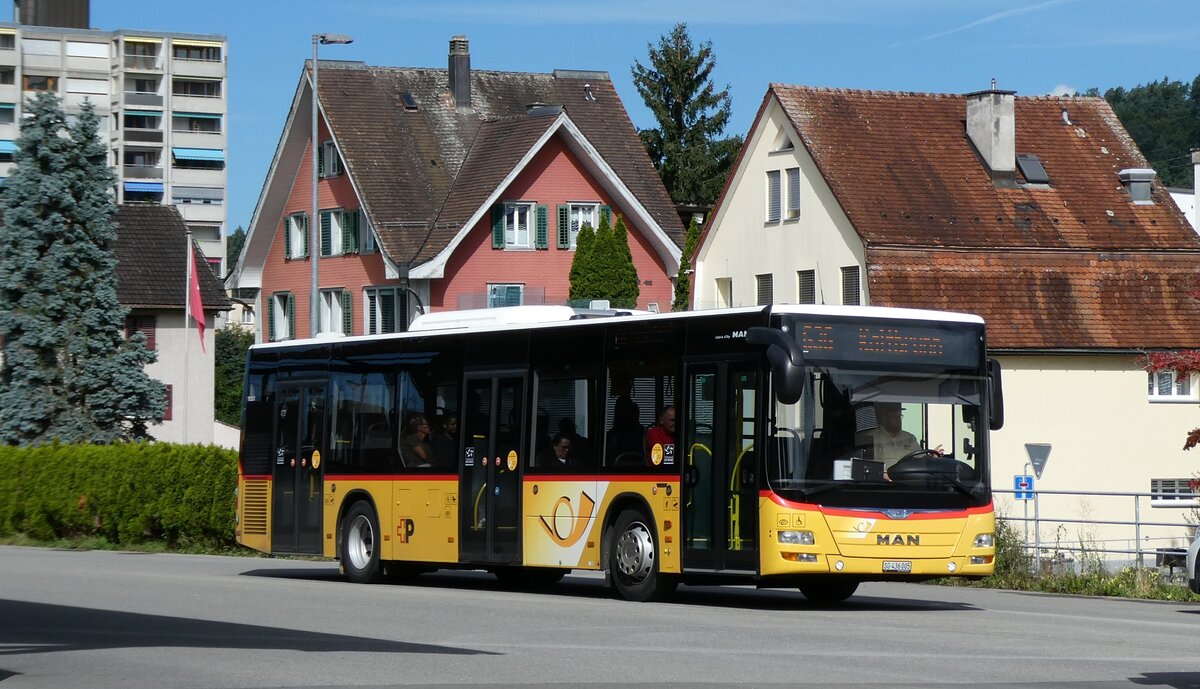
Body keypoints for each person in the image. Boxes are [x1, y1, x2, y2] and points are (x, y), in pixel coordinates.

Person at [855, 402, 931, 470]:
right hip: (880, 482)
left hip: (906, 481)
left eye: (900, 416)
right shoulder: (870, 437)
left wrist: (930, 457)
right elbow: (863, 465)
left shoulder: (909, 438)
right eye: (894, 417)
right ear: (884, 418)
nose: (899, 420)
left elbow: (921, 460)